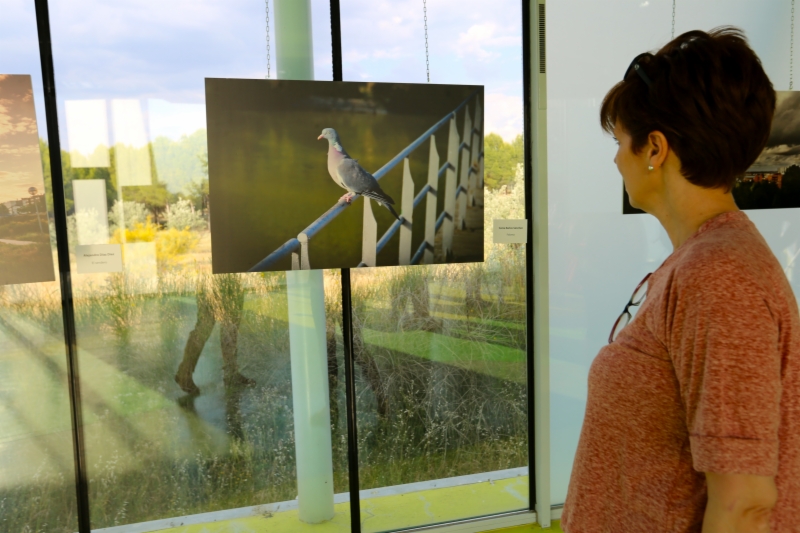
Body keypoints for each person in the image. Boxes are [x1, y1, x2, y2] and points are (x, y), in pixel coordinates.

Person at [561, 28, 800, 532]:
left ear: (655, 148)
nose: (614, 159)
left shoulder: (720, 277)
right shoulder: (701, 261)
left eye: (619, 141)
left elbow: (744, 503)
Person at [175, 273, 255, 394]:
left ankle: (186, 372)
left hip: (215, 275)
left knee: (218, 326)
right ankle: (185, 373)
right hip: (218, 274)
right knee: (214, 326)